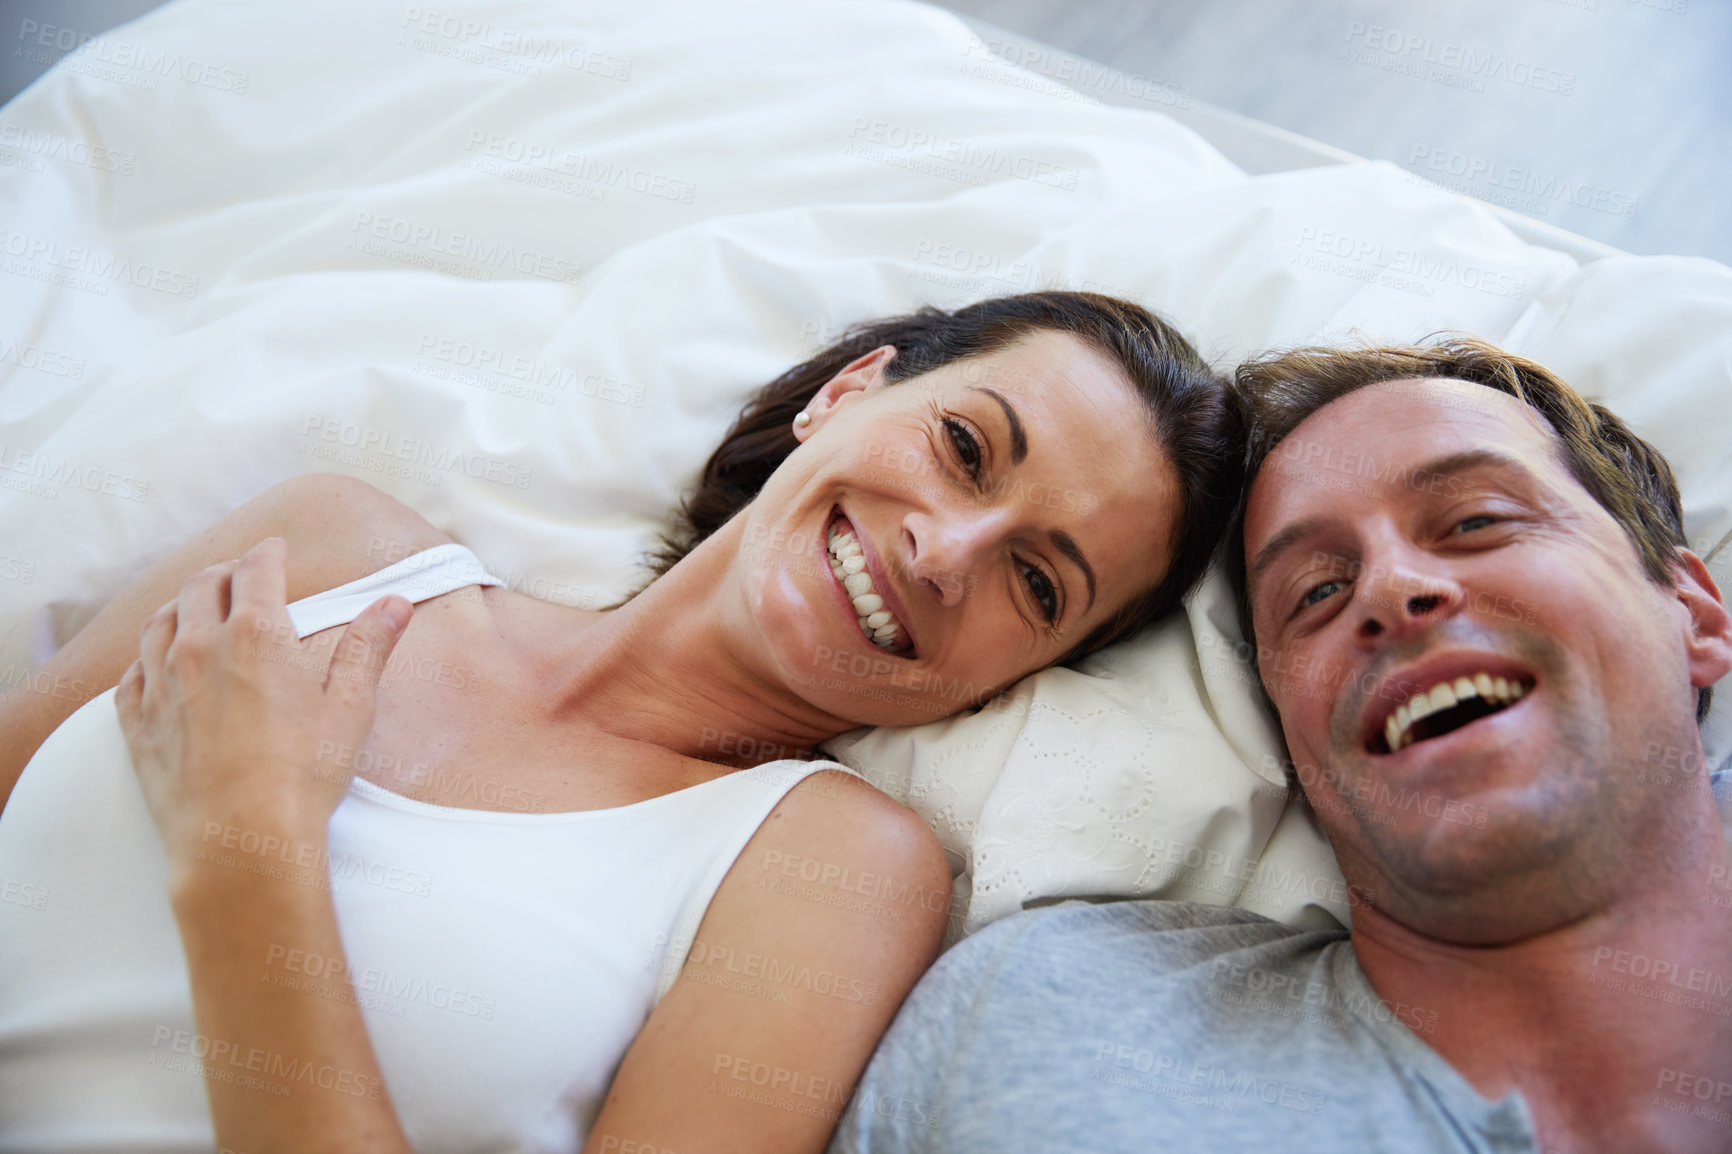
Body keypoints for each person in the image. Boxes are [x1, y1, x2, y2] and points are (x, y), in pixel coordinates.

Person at [0, 292, 1243, 1153]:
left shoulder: (829, 871)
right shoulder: (330, 547)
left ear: (1014, 679)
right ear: (846, 393)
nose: (946, 546)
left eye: (1038, 582)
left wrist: (246, 854)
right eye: (965, 446)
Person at [830, 336, 1732, 1154]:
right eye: (1316, 593)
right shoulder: (1050, 1022)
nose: (1391, 589)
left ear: (1691, 611)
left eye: (1475, 522)